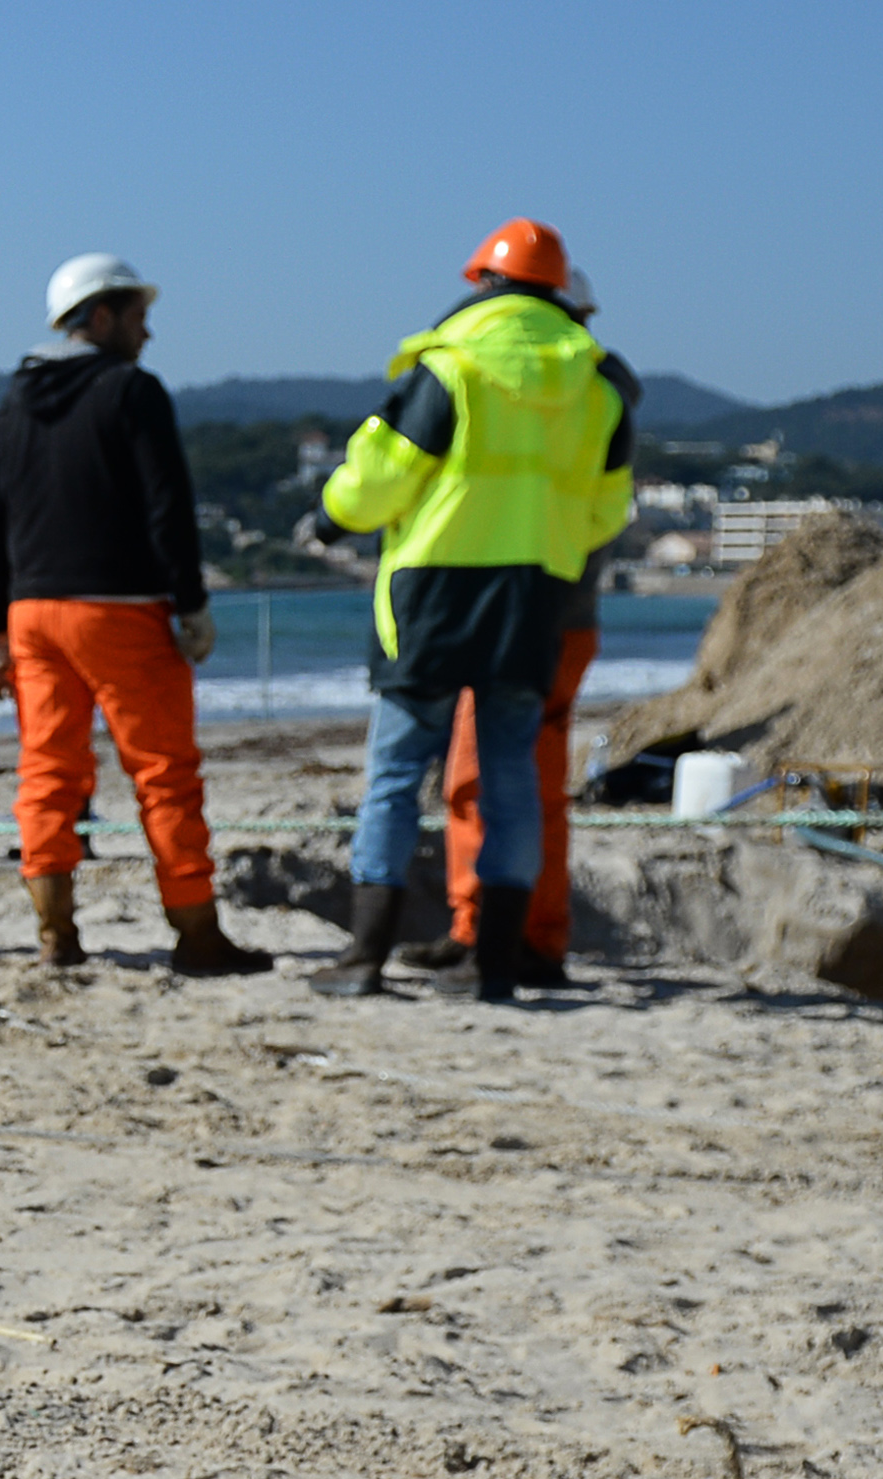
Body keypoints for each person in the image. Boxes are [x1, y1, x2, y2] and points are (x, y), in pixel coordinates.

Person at [309, 218, 638, 1002]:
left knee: (395, 777)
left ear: (485, 281)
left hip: (433, 595)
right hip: (533, 597)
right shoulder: (596, 386)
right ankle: (494, 967)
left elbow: (379, 476)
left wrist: (331, 516)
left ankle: (363, 959)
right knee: (513, 782)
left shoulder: (452, 362)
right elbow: (605, 512)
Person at [0, 255, 265, 976]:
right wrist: (191, 604)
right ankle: (196, 932)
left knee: (47, 771)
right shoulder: (132, 391)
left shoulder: (9, 408)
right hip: (120, 609)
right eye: (139, 317)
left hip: (31, 612)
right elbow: (168, 506)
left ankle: (55, 933)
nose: (148, 333)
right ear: (100, 317)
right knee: (164, 773)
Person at [441, 263, 618, 988]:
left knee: (487, 780)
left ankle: (497, 934)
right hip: (559, 617)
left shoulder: (525, 385)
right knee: (527, 785)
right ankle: (516, 935)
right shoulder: (598, 389)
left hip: (514, 616)